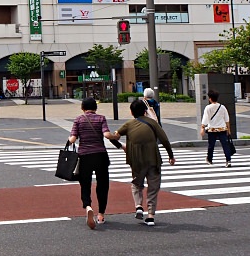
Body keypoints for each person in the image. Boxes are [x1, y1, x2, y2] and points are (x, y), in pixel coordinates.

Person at [110, 100, 176, 226]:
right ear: (145, 111)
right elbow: (165, 139)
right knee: (153, 187)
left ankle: (139, 206)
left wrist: (121, 146)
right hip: (153, 159)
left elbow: (114, 136)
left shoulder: (128, 124)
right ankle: (150, 216)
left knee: (136, 184)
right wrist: (171, 156)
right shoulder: (153, 123)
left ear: (131, 112)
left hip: (137, 161)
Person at [68, 98, 121, 229]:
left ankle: (88, 206)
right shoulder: (101, 118)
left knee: (85, 184)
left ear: (82, 108)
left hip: (85, 157)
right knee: (103, 185)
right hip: (100, 156)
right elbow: (107, 135)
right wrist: (116, 137)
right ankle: (101, 214)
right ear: (95, 108)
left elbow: (73, 139)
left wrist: (70, 138)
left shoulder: (78, 120)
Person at [201, 89, 233, 167]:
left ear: (210, 98)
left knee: (211, 145)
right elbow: (227, 119)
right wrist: (229, 130)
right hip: (222, 129)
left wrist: (202, 128)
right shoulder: (222, 107)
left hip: (212, 129)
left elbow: (205, 119)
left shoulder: (208, 108)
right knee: (225, 145)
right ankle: (228, 160)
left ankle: (209, 159)